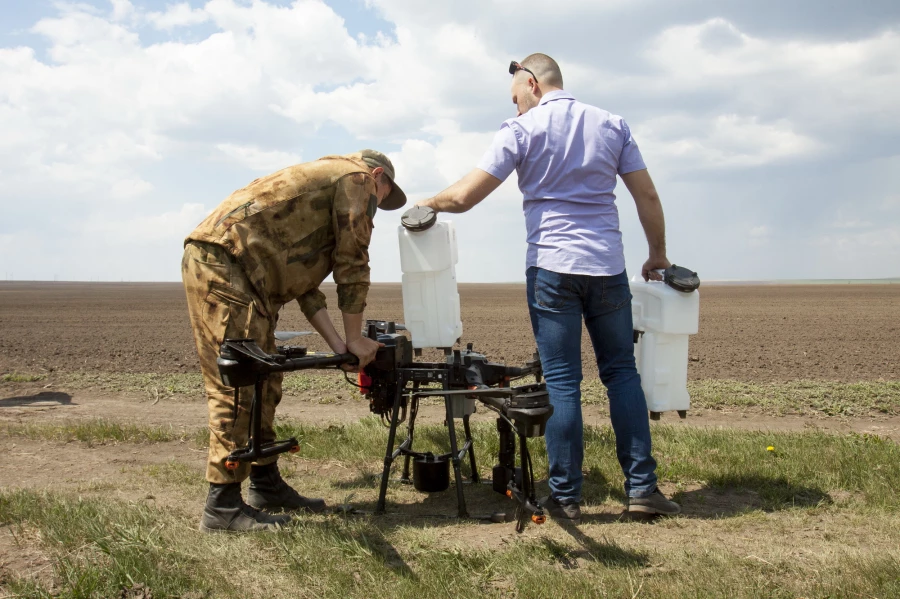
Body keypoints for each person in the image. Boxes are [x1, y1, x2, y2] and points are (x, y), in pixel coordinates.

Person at [416, 54, 680, 524]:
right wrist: (657, 254)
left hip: (553, 269)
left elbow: (464, 197)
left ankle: (566, 497)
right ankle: (641, 489)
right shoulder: (611, 124)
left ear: (532, 83)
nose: (515, 104)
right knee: (621, 374)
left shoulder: (521, 130)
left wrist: (427, 203)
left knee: (563, 382)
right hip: (607, 268)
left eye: (516, 94)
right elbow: (648, 196)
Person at [182, 150, 406, 532]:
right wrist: (356, 338)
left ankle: (266, 484)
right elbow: (353, 262)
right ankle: (222, 505)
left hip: (243, 274)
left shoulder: (319, 188)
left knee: (264, 378)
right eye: (382, 198)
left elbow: (308, 290)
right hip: (227, 267)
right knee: (237, 383)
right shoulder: (357, 179)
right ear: (378, 176)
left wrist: (340, 345)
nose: (376, 207)